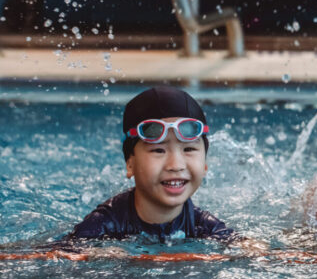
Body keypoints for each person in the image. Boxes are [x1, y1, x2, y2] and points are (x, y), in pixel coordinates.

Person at [68, 86, 233, 242]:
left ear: (205, 165)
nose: (176, 165)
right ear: (130, 164)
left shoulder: (205, 227)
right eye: (158, 151)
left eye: (188, 149)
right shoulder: (102, 225)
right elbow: (53, 256)